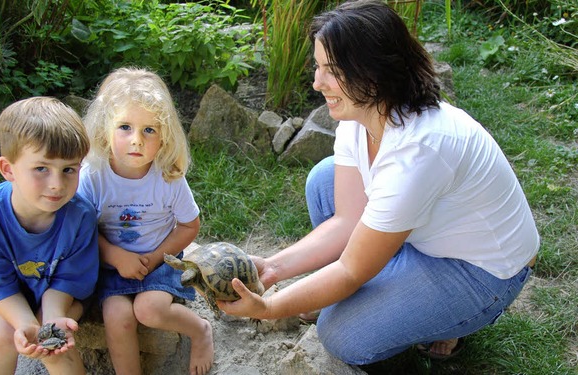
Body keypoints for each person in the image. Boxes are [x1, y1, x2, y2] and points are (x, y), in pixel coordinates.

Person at [218, 0, 539, 365]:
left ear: (372, 72)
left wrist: (269, 306)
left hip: (482, 271)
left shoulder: (419, 150)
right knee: (324, 180)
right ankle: (390, 289)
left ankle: (451, 319)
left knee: (340, 334)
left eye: (331, 71)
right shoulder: (360, 118)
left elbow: (352, 268)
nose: (316, 82)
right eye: (318, 66)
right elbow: (346, 221)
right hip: (428, 236)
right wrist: (273, 268)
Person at [78, 67, 213, 375]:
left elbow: (190, 225)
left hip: (160, 259)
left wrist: (154, 258)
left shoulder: (167, 177)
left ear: (165, 136)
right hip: (112, 263)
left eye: (149, 130)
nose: (136, 140)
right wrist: (115, 255)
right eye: (124, 127)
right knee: (117, 316)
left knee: (149, 309)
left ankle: (200, 330)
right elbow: (80, 231)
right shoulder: (94, 176)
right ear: (104, 128)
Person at [0, 97, 99, 374]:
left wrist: (52, 320)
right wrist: (25, 323)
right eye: (41, 169)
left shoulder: (80, 216)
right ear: (8, 169)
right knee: (2, 338)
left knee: (52, 343)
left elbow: (71, 281)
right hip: (13, 294)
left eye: (69, 169)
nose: (57, 184)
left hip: (63, 296)